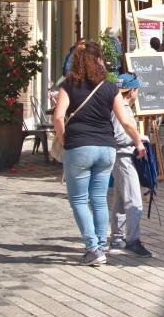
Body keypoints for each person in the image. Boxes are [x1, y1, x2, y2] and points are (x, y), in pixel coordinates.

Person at [53, 41, 146, 266]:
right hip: (106, 148)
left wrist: (66, 141)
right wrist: (139, 143)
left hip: (79, 147)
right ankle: (101, 246)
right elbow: (124, 120)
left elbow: (58, 117)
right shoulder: (109, 87)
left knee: (78, 200)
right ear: (99, 61)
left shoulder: (69, 85)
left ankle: (93, 249)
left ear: (76, 61)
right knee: (99, 199)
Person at [108, 73, 152, 257]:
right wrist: (139, 139)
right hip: (124, 156)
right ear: (132, 90)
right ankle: (132, 240)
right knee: (134, 201)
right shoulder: (122, 110)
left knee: (120, 199)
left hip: (120, 157)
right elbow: (119, 136)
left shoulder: (120, 107)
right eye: (137, 89)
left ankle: (117, 238)